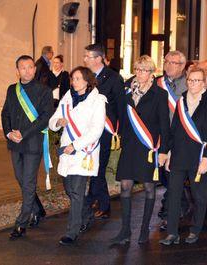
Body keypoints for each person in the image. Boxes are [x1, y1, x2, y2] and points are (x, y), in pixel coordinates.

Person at [109, 55, 170, 245]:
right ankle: (125, 230)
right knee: (125, 186)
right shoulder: (126, 92)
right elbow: (119, 115)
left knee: (149, 187)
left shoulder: (159, 94)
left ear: (152, 73)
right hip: (130, 146)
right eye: (139, 69)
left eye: (146, 70)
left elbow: (164, 126)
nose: (141, 73)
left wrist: (163, 151)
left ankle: (144, 229)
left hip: (148, 147)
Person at [159, 66, 207, 245]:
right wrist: (168, 152)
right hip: (179, 155)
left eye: (198, 80)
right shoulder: (181, 101)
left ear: (204, 82)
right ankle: (172, 233)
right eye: (191, 80)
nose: (193, 84)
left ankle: (195, 230)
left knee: (198, 196)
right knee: (174, 194)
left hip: (199, 157)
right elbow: (174, 129)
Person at [49, 66, 106, 246]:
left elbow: (96, 130)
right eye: (73, 79)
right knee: (69, 188)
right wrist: (58, 121)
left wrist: (76, 145)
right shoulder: (67, 97)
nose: (74, 82)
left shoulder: (97, 100)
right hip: (67, 151)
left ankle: (72, 232)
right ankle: (87, 214)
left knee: (76, 192)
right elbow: (54, 119)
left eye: (78, 79)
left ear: (88, 81)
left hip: (83, 151)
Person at [1, 55, 53, 240]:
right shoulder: (11, 90)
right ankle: (38, 209)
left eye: (30, 67)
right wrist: (8, 133)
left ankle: (22, 223)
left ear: (35, 69)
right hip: (14, 143)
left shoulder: (44, 91)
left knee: (29, 182)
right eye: (23, 68)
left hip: (31, 143)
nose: (27, 71)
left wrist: (23, 133)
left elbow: (45, 117)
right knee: (21, 179)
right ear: (17, 71)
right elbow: (5, 113)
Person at [83, 44, 125, 223]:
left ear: (98, 58)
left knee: (99, 167)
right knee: (92, 164)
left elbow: (121, 106)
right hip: (89, 129)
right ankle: (94, 198)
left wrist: (121, 131)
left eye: (88, 56)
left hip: (106, 129)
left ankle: (105, 205)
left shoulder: (114, 78)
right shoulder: (86, 77)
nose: (84, 59)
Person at [156, 50, 188, 231]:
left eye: (173, 63)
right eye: (166, 61)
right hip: (162, 136)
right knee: (164, 175)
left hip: (182, 137)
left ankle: (169, 211)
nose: (168, 65)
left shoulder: (190, 83)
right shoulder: (158, 83)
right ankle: (181, 203)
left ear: (182, 66)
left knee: (173, 174)